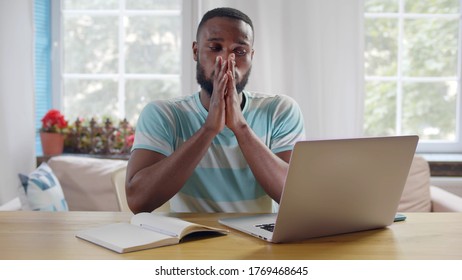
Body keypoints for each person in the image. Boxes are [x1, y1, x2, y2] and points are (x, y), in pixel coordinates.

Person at [126, 7, 305, 213]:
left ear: (251, 56)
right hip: (192, 240)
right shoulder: (164, 114)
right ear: (195, 51)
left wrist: (240, 127)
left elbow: (295, 197)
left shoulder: (280, 111)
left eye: (240, 51)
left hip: (261, 240)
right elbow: (138, 200)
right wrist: (209, 129)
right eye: (215, 47)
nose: (227, 61)